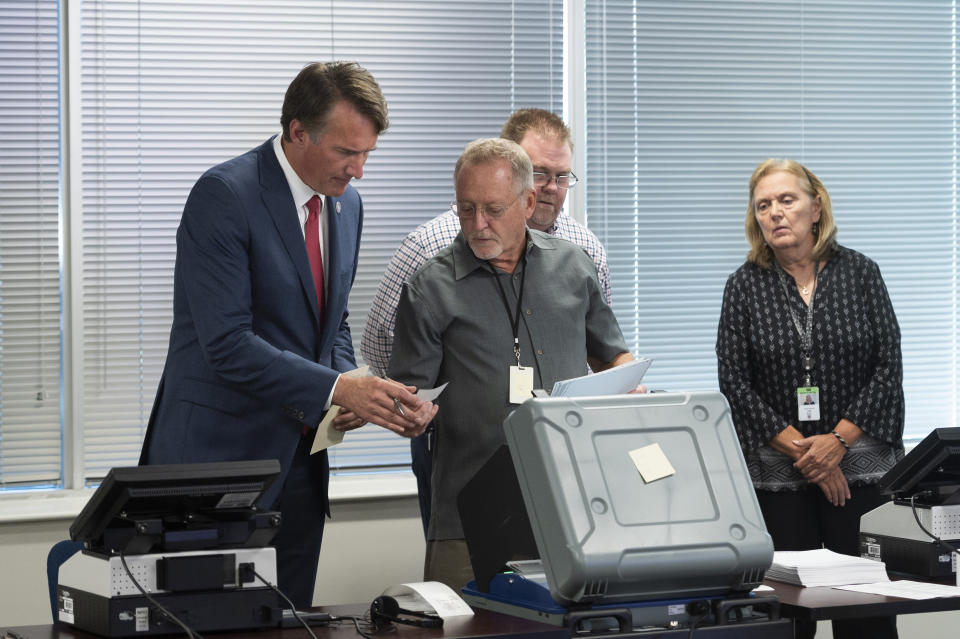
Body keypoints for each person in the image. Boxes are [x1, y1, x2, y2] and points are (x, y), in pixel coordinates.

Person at [139, 61, 436, 608]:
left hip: (299, 469)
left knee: (290, 621)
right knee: (205, 620)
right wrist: (333, 389)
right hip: (214, 466)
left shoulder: (347, 205)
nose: (360, 170)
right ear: (298, 131)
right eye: (347, 152)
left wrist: (359, 388)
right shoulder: (225, 194)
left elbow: (331, 323)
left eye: (368, 153)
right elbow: (227, 343)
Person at [384, 137, 638, 591]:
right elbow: (408, 401)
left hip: (570, 503)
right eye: (466, 209)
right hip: (469, 508)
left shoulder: (575, 267)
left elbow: (611, 351)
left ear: (528, 201)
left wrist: (626, 379)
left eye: (493, 210)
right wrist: (408, 416)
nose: (477, 224)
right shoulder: (429, 287)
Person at [360, 108, 611, 533]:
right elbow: (383, 347)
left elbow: (598, 350)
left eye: (561, 176)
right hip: (465, 466)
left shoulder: (582, 252)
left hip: (564, 474)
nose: (549, 187)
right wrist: (424, 407)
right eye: (539, 172)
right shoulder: (428, 250)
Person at [716, 158, 904, 639]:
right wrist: (808, 453)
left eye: (787, 200)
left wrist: (835, 444)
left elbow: (887, 368)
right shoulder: (744, 286)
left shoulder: (861, 273)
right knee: (786, 615)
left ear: (815, 207)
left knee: (866, 609)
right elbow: (734, 382)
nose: (775, 213)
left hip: (859, 472)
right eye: (763, 205)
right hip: (782, 475)